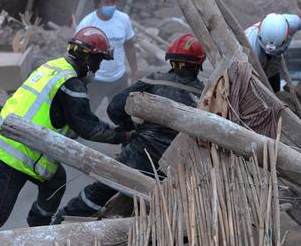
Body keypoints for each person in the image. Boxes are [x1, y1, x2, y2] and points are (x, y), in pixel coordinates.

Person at [0, 27, 129, 233]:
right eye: (98, 61)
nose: (98, 68)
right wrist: (123, 135)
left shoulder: (54, 67)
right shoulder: (71, 83)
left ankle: (39, 226)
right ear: (87, 58)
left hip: (12, 141)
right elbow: (87, 127)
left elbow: (77, 118)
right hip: (13, 154)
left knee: (55, 182)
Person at [56, 33, 206, 220]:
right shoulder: (205, 94)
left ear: (171, 61)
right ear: (199, 64)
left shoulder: (154, 80)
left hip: (139, 154)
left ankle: (64, 219)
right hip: (176, 164)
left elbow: (115, 107)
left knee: (101, 188)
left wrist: (130, 128)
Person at [76, 0, 139, 113]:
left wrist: (135, 71)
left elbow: (129, 46)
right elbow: (76, 54)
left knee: (121, 114)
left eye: (113, 2)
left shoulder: (123, 20)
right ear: (98, 2)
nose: (111, 5)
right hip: (95, 80)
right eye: (107, 2)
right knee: (87, 114)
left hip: (118, 79)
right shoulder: (87, 24)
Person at [246, 11, 301, 92]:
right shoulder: (250, 48)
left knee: (274, 85)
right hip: (253, 64)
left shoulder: (291, 23)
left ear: (286, 35)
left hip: (273, 61)